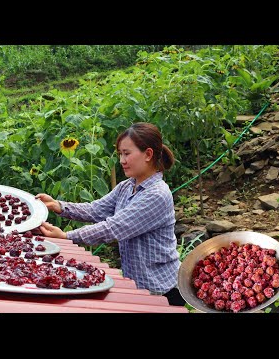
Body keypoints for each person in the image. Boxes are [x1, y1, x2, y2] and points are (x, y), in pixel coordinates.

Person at [35, 122, 185, 306]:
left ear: (148, 154)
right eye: (120, 154)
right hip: (141, 286)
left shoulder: (157, 195)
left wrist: (67, 236)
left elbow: (113, 228)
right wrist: (59, 206)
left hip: (162, 290)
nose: (122, 160)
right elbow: (95, 209)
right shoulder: (127, 186)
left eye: (127, 153)